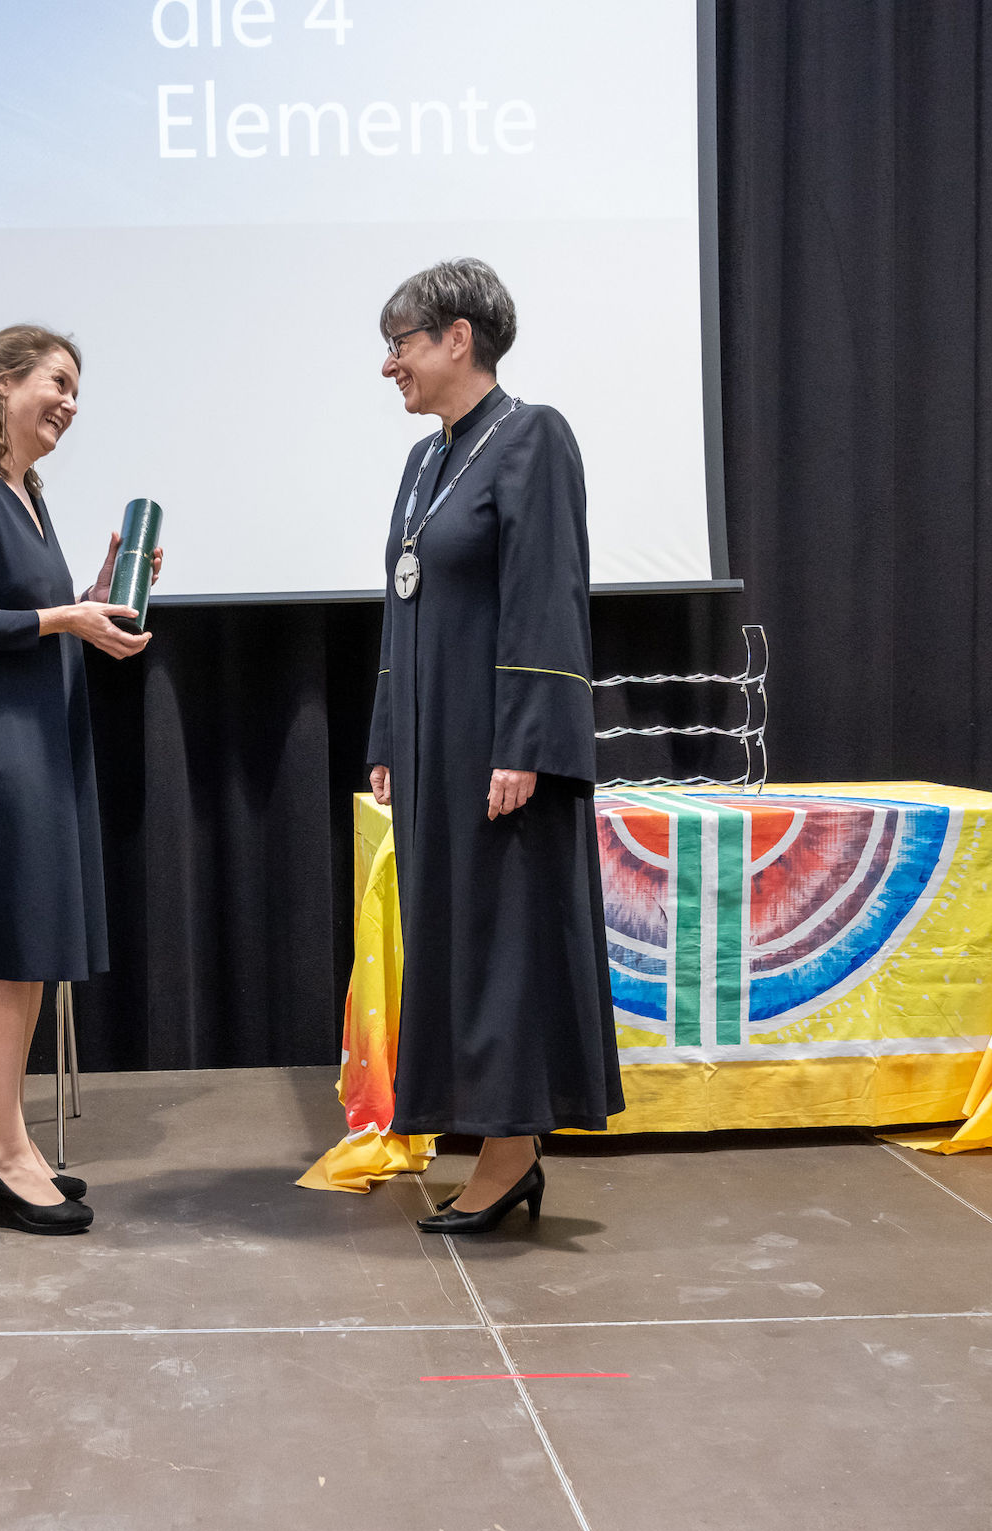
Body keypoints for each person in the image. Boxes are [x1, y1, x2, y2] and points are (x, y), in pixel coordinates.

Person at [366, 259, 625, 1233]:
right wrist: (388, 734)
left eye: (400, 343)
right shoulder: (424, 461)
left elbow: (547, 597)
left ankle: (509, 1155)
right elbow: (402, 602)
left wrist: (524, 743)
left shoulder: (531, 438)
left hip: (497, 754)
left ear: (457, 337)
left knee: (506, 944)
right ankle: (493, 1145)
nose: (388, 364)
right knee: (457, 943)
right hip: (434, 748)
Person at [0, 325, 160, 1235]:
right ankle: (4, 1154)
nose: (70, 403)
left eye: (77, 390)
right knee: (2, 962)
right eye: (57, 381)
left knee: (29, 955)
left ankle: (7, 1144)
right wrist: (64, 619)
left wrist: (93, 597)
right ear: (3, 382)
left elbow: (25, 615)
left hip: (37, 751)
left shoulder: (27, 494)